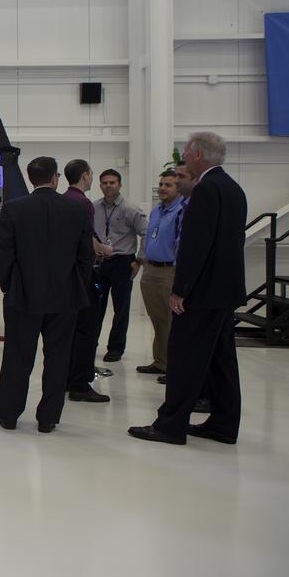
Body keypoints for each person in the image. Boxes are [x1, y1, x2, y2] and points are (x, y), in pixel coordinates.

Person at [129, 132, 246, 446]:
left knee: (184, 358)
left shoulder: (206, 189)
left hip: (203, 292)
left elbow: (196, 246)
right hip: (224, 291)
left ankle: (170, 425)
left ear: (197, 155)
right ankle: (223, 423)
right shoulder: (232, 188)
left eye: (186, 152)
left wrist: (180, 290)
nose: (183, 156)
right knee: (221, 360)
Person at [0, 157, 95, 433]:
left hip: (22, 296)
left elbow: (5, 254)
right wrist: (77, 285)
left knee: (17, 356)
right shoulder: (77, 210)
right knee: (58, 359)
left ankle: (9, 414)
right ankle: (48, 418)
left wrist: (9, 287)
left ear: (30, 179)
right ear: (55, 178)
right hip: (65, 297)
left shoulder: (14, 209)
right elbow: (86, 256)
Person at [64, 159, 113, 403]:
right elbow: (86, 239)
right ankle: (80, 384)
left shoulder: (63, 200)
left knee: (70, 331)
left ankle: (66, 377)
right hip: (84, 276)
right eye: (92, 174)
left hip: (66, 278)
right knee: (87, 331)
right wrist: (103, 249)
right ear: (84, 176)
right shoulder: (84, 203)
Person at [93, 170, 149, 362]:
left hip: (122, 264)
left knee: (121, 308)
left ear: (120, 184)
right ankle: (91, 343)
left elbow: (147, 234)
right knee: (95, 306)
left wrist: (139, 261)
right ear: (100, 185)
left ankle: (116, 348)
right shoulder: (94, 208)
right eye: (104, 183)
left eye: (112, 182)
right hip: (99, 265)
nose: (108, 186)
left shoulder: (130, 209)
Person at [135, 169, 183, 375]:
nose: (163, 188)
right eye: (161, 184)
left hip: (168, 272)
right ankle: (160, 362)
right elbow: (147, 237)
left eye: (168, 185)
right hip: (150, 270)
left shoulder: (181, 211)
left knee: (173, 322)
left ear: (178, 188)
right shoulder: (156, 211)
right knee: (158, 321)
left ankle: (175, 367)